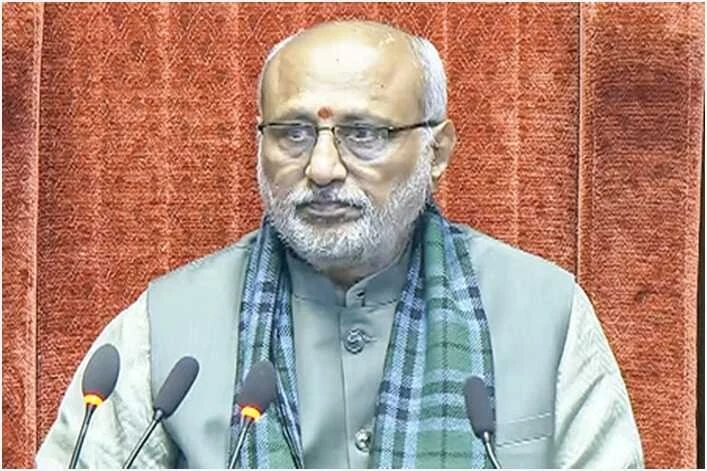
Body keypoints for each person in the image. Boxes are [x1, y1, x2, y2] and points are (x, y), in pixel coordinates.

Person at [36, 20, 643, 469]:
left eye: (365, 134)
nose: (322, 168)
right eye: (293, 133)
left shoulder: (545, 313)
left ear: (437, 151)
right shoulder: (167, 327)